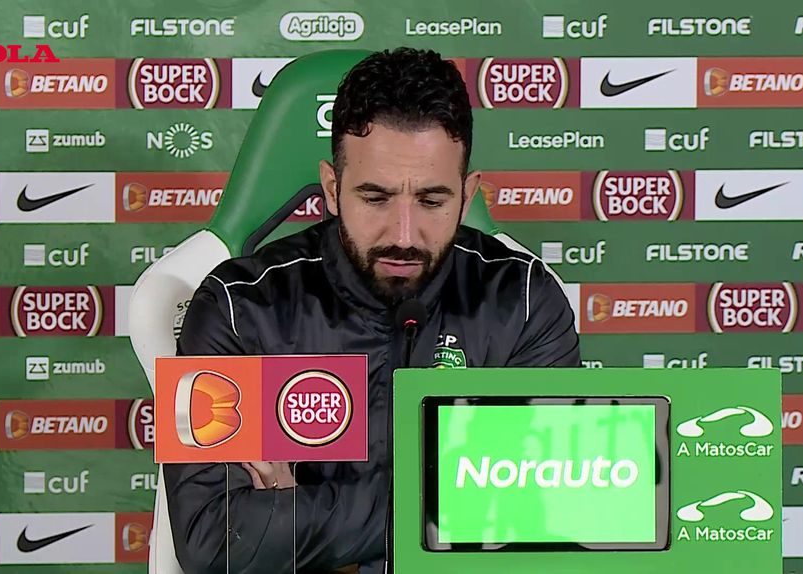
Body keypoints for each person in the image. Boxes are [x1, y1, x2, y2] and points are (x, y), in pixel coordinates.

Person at [165, 47, 581, 574]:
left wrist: (298, 516)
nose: (403, 235)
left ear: (467, 192)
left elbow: (552, 514)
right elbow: (211, 539)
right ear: (332, 189)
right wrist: (457, 500)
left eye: (431, 200)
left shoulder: (521, 301)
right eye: (376, 198)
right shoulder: (240, 308)